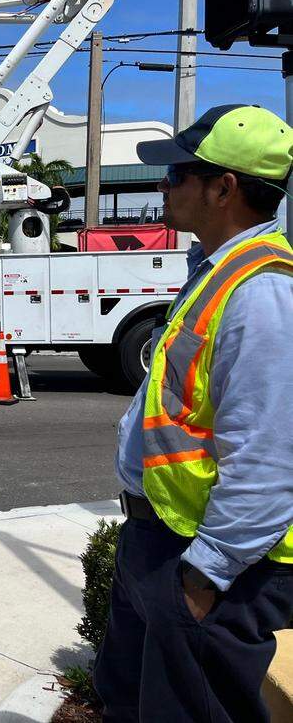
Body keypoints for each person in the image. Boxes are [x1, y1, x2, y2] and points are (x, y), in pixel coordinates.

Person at [94, 104, 293, 721]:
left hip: (215, 566)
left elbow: (269, 458)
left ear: (223, 188)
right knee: (126, 698)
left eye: (177, 174)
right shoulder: (215, 272)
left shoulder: (262, 293)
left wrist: (204, 579)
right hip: (161, 536)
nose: (164, 186)